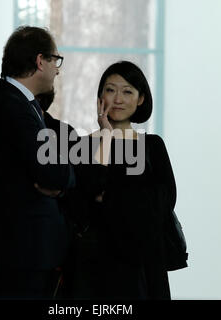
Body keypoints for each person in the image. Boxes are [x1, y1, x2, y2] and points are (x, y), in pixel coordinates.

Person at [63, 61, 179, 300]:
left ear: (140, 100)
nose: (117, 98)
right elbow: (83, 202)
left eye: (127, 91)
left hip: (143, 264)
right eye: (110, 89)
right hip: (95, 265)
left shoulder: (152, 146)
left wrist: (108, 198)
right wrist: (106, 135)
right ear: (99, 97)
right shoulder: (82, 145)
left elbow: (164, 202)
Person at [0, 26, 75, 299]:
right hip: (22, 253)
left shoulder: (21, 104)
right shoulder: (11, 107)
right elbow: (51, 172)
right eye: (55, 61)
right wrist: (66, 178)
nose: (57, 70)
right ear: (39, 61)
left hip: (25, 250)